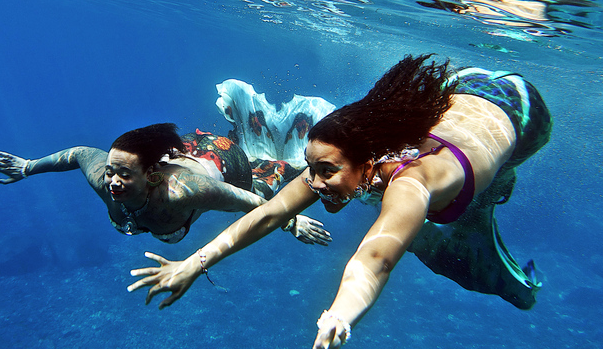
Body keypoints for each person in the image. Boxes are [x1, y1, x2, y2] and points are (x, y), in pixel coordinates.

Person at [127, 55, 552, 348]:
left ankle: (497, 187)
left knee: (476, 211)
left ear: (367, 161)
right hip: (457, 86)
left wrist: (339, 315)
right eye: (312, 168)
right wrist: (193, 263)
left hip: (519, 108)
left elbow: (375, 260)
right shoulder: (354, 156)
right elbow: (271, 212)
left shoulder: (412, 181)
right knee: (424, 216)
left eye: (326, 170)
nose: (313, 183)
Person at [0, 80, 336, 245]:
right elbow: (76, 154)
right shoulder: (105, 179)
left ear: (152, 176)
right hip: (187, 150)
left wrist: (292, 223)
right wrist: (28, 167)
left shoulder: (186, 191)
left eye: (122, 174)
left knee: (265, 171)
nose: (112, 182)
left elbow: (252, 203)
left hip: (226, 162)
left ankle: (284, 133)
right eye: (111, 172)